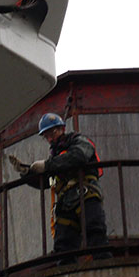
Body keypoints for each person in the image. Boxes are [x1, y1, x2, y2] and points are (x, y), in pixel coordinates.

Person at [22, 113, 111, 264]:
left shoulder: (79, 142)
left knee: (95, 232)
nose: (50, 139)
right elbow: (47, 183)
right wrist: (28, 174)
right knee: (63, 245)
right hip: (65, 204)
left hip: (85, 195)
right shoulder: (55, 158)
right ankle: (66, 273)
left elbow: (78, 157)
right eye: (47, 136)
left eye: (52, 133)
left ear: (62, 129)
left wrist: (47, 166)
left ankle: (105, 268)